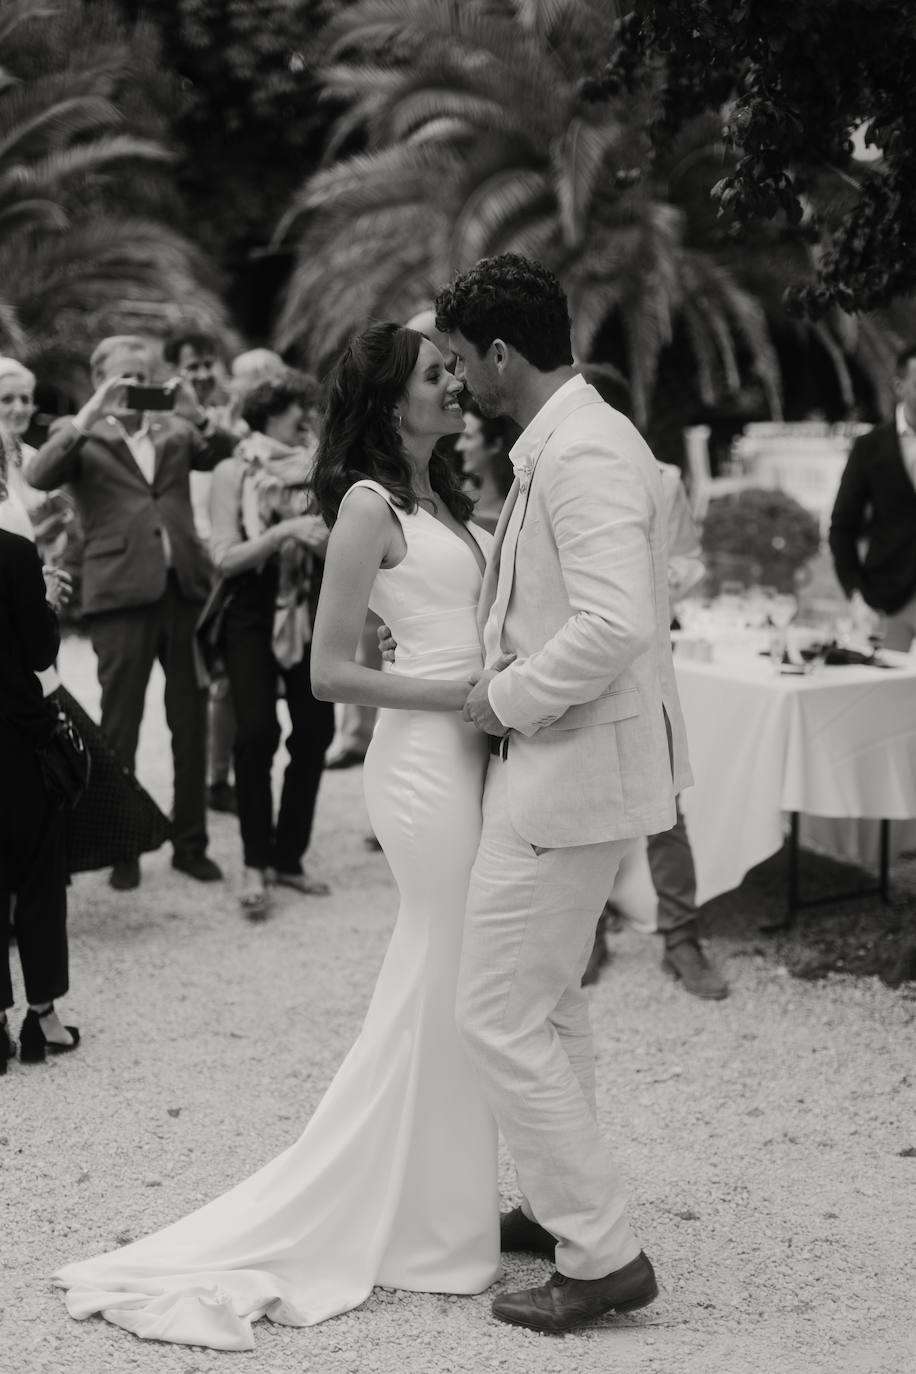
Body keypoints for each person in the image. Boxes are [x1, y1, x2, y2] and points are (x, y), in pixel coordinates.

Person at [53, 322, 500, 1348]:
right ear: (391, 401)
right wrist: (461, 694)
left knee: (457, 979)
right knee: (445, 966)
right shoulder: (364, 507)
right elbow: (331, 673)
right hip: (427, 762)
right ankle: (411, 1215)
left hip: (472, 748)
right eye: (437, 375)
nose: (457, 385)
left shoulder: (448, 500)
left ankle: (445, 1208)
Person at [436, 252, 691, 1333]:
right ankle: (561, 1208)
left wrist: (504, 698)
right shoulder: (572, 437)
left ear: (500, 353)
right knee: (550, 1003)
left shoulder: (580, 449)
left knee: (493, 1015)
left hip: (565, 765)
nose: (453, 383)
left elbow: (613, 621)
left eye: (457, 362)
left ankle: (604, 1253)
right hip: (578, 766)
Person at [27, 334, 234, 890]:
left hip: (184, 590)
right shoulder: (77, 434)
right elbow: (39, 474)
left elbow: (226, 450)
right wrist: (93, 411)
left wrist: (196, 412)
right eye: (124, 378)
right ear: (100, 380)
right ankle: (122, 845)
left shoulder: (176, 429)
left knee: (189, 722)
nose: (136, 388)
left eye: (143, 378)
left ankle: (192, 844)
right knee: (120, 725)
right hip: (120, 595)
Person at [207, 369, 334, 916]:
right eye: (294, 412)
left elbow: (349, 550)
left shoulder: (324, 473)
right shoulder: (232, 472)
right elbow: (224, 557)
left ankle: (289, 858)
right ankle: (255, 861)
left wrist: (325, 541)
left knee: (314, 734)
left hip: (310, 611)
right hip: (251, 614)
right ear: (267, 417)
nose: (306, 420)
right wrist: (283, 533)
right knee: (255, 734)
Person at [0, 527, 78, 1072]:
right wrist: (46, 601)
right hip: (12, 735)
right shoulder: (13, 551)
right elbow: (38, 651)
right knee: (37, 874)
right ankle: (42, 1015)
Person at [164, 327, 239, 816]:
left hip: (232, 559)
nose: (201, 373)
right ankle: (202, 782)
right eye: (191, 365)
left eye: (207, 363)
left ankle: (218, 778)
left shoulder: (233, 418)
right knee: (198, 686)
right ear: (175, 372)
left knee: (229, 679)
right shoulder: (166, 425)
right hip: (193, 566)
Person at [829, 343, 916, 650]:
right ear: (899, 385)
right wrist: (855, 592)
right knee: (885, 695)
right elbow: (842, 525)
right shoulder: (870, 448)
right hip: (887, 600)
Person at [454, 397, 517, 534]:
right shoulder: (460, 495)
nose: (459, 446)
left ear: (495, 445)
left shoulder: (517, 502)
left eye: (468, 437)